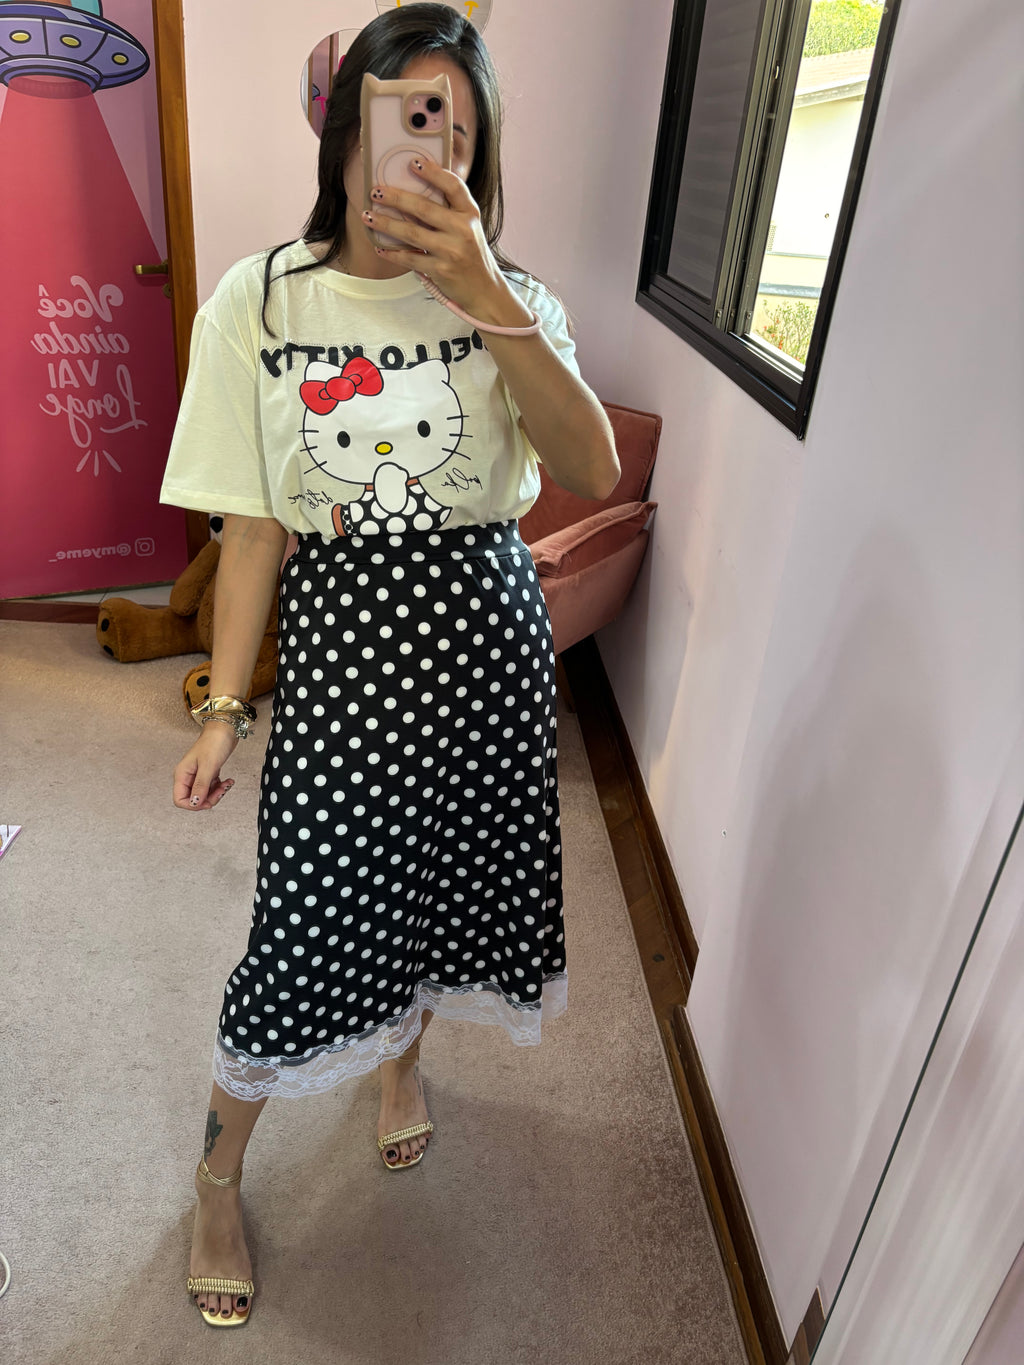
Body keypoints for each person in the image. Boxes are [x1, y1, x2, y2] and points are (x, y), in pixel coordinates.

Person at [161, 3, 618, 1329]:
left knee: (438, 897)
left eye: (457, 133)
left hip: (487, 656)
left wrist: (487, 298)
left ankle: (400, 1065)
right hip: (347, 664)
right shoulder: (262, 299)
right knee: (301, 930)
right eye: (407, 116)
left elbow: (590, 470)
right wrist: (227, 708)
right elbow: (254, 529)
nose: (429, 150)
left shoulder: (518, 301)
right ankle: (216, 1177)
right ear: (345, 125)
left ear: (482, 159)